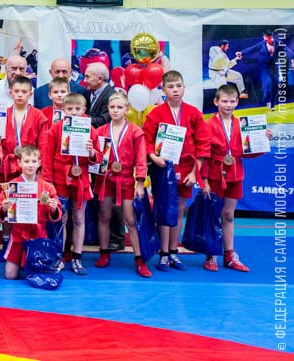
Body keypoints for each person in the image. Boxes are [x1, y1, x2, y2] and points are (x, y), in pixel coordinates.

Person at [142, 70, 209, 272]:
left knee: (179, 210)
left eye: (178, 86)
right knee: (164, 210)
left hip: (186, 170)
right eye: (171, 87)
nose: (175, 90)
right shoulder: (155, 113)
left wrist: (194, 173)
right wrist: (153, 157)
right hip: (163, 169)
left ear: (184, 88)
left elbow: (203, 144)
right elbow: (146, 141)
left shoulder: (194, 113)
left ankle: (173, 251)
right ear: (163, 90)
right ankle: (163, 253)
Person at [200, 85, 272, 272]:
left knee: (229, 215)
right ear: (216, 101)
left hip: (235, 173)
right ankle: (211, 254)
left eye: (232, 101)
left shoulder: (242, 124)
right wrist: (204, 180)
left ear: (237, 102)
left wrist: (263, 141)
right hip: (215, 174)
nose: (228, 105)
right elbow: (204, 155)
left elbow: (247, 153)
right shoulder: (207, 125)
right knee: (213, 215)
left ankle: (229, 255)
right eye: (224, 101)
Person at [93, 92, 151, 278]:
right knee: (104, 216)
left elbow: (141, 159)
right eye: (112, 107)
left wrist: (140, 182)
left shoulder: (136, 131)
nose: (115, 110)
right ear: (108, 109)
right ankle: (104, 252)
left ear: (127, 109)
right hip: (106, 179)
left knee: (130, 219)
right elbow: (96, 157)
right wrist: (92, 155)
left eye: (119, 107)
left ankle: (139, 259)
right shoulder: (101, 131)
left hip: (126, 179)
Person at [41, 92, 99, 275]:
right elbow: (47, 156)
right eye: (70, 109)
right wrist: (48, 183)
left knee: (79, 218)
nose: (74, 112)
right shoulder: (56, 128)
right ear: (63, 110)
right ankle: (59, 257)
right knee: (61, 219)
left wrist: (91, 152)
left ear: (84, 109)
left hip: (81, 177)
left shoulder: (90, 129)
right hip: (60, 179)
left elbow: (98, 157)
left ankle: (77, 257)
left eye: (77, 108)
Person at [0, 145, 61, 280]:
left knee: (39, 273)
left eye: (34, 161)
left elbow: (57, 216)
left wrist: (53, 208)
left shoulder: (47, 187)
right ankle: (22, 263)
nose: (30, 165)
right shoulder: (11, 186)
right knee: (10, 275)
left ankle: (29, 264)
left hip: (39, 236)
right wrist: (4, 209)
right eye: (26, 161)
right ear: (19, 163)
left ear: (39, 163)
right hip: (18, 236)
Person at [0, 76, 48, 183]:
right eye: (16, 91)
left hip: (31, 166)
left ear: (31, 94)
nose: (20, 95)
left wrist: (40, 166)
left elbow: (43, 145)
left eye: (24, 92)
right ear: (10, 93)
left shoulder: (39, 115)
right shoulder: (3, 114)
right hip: (9, 165)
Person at [240, 30, 291, 110]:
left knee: (275, 85)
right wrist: (241, 52)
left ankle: (272, 104)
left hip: (274, 67)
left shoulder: (278, 43)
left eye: (267, 37)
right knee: (267, 84)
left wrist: (292, 58)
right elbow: (252, 49)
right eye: (264, 37)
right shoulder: (262, 44)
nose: (265, 38)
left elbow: (287, 50)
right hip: (265, 67)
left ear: (271, 37)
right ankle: (266, 100)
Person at [83, 62, 114, 128]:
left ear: (100, 79)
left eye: (87, 77)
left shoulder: (111, 96)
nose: (84, 80)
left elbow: (103, 121)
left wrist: (79, 120)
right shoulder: (87, 93)